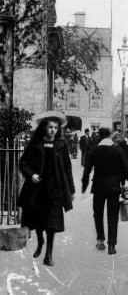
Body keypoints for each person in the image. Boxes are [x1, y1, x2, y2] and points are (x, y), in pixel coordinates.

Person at [17, 111, 75, 267]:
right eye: (50, 127)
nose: (53, 130)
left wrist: (71, 189)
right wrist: (31, 175)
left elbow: (67, 168)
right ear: (44, 128)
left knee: (52, 223)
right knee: (39, 221)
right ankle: (40, 241)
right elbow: (23, 163)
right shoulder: (35, 145)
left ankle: (48, 254)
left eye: (56, 127)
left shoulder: (61, 145)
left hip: (55, 188)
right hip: (38, 188)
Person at [82, 127, 128, 255]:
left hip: (98, 187)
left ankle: (100, 241)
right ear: (110, 135)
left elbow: (87, 169)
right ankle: (112, 245)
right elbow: (127, 169)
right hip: (114, 188)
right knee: (112, 216)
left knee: (98, 214)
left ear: (100, 136)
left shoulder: (94, 150)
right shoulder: (117, 149)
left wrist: (84, 184)